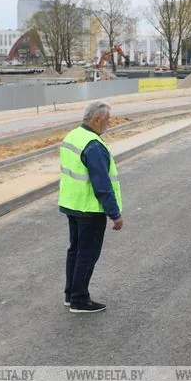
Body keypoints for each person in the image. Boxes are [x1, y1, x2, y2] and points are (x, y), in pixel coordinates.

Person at [59, 100, 124, 313]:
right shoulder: (94, 145)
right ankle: (79, 300)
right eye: (106, 119)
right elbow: (102, 184)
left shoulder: (73, 136)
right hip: (89, 208)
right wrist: (114, 214)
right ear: (96, 119)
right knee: (87, 254)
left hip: (72, 205)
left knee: (75, 251)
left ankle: (71, 294)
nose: (109, 123)